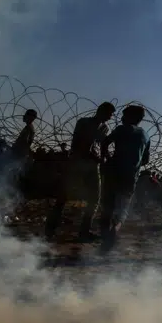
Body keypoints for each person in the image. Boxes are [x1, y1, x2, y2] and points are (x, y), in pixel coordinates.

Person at [44, 101, 115, 242]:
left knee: (93, 198)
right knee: (63, 197)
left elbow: (100, 145)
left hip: (91, 164)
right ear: (100, 111)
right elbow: (80, 144)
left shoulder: (104, 128)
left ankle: (82, 231)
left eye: (111, 115)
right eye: (108, 114)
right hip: (78, 162)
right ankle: (51, 230)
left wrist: (104, 158)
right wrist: (99, 158)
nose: (110, 117)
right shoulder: (84, 122)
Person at [99, 105, 152, 253]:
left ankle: (105, 237)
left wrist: (106, 159)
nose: (121, 118)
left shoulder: (121, 129)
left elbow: (105, 143)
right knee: (122, 209)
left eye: (124, 115)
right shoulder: (145, 135)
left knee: (107, 205)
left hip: (113, 172)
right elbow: (146, 160)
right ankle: (114, 231)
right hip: (130, 177)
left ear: (131, 117)